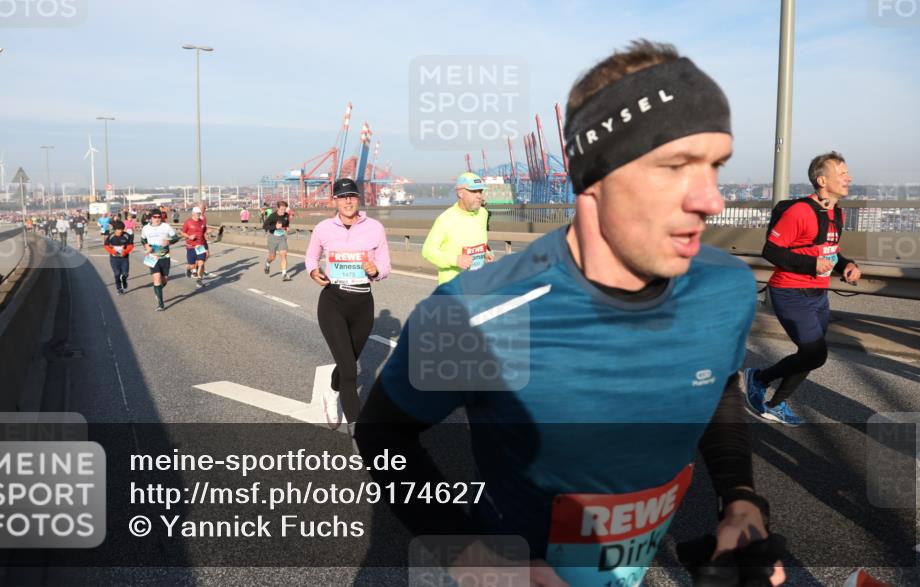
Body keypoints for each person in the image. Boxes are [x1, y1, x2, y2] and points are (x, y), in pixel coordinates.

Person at [356, 40, 783, 587]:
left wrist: (740, 500)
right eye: (675, 165)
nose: (711, 200)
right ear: (592, 177)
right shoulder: (477, 312)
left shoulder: (726, 287)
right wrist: (468, 556)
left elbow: (716, 381)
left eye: (715, 166)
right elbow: (382, 436)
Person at [743, 152, 861, 427]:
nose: (849, 177)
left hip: (818, 294)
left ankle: (773, 404)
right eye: (842, 173)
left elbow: (829, 251)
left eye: (847, 172)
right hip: (790, 292)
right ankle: (758, 378)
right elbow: (770, 250)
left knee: (810, 354)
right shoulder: (800, 211)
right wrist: (812, 264)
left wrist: (846, 264)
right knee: (815, 354)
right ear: (822, 180)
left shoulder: (835, 212)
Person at [305, 179, 391, 430]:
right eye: (342, 197)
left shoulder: (375, 228)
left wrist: (375, 270)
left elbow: (386, 267)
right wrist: (313, 272)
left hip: (363, 302)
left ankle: (331, 393)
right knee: (351, 372)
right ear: (335, 201)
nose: (348, 201)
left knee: (348, 364)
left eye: (352, 196)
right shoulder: (323, 228)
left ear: (359, 199)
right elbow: (311, 257)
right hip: (333, 300)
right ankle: (359, 434)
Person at [421, 172, 494, 285]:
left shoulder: (483, 214)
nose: (479, 195)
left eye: (480, 191)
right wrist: (455, 260)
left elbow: (478, 242)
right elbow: (428, 251)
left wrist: (486, 253)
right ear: (460, 193)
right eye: (474, 191)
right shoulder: (445, 219)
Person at [140, 208, 179, 311]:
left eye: (159, 217)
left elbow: (176, 238)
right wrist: (146, 246)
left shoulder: (166, 226)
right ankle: (160, 304)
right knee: (156, 278)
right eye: (155, 217)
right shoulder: (146, 228)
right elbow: (143, 239)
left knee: (164, 279)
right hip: (152, 257)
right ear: (151, 218)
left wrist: (169, 242)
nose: (157, 219)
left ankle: (158, 290)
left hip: (164, 257)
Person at [263, 201, 293, 281]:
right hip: (272, 237)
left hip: (282, 237)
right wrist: (275, 226)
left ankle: (284, 274)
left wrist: (286, 228)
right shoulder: (273, 216)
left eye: (285, 209)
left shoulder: (286, 215)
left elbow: (286, 223)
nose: (284, 211)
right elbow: (265, 226)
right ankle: (267, 263)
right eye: (282, 209)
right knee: (272, 257)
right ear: (278, 208)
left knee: (283, 255)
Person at [181, 205, 210, 287]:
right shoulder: (188, 222)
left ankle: (199, 279)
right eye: (197, 213)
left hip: (200, 246)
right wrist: (189, 236)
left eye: (199, 213)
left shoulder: (202, 222)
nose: (198, 214)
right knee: (192, 265)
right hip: (191, 246)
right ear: (193, 213)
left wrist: (206, 235)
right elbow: (182, 232)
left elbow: (204, 231)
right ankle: (188, 268)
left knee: (201, 263)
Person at [103, 219, 134, 294]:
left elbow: (131, 245)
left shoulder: (126, 235)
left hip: (124, 258)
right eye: (118, 229)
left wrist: (125, 251)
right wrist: (112, 251)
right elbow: (106, 246)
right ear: (115, 229)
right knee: (117, 273)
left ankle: (124, 280)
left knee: (125, 274)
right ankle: (119, 288)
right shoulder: (111, 236)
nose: (120, 231)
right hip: (114, 258)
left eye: (121, 229)